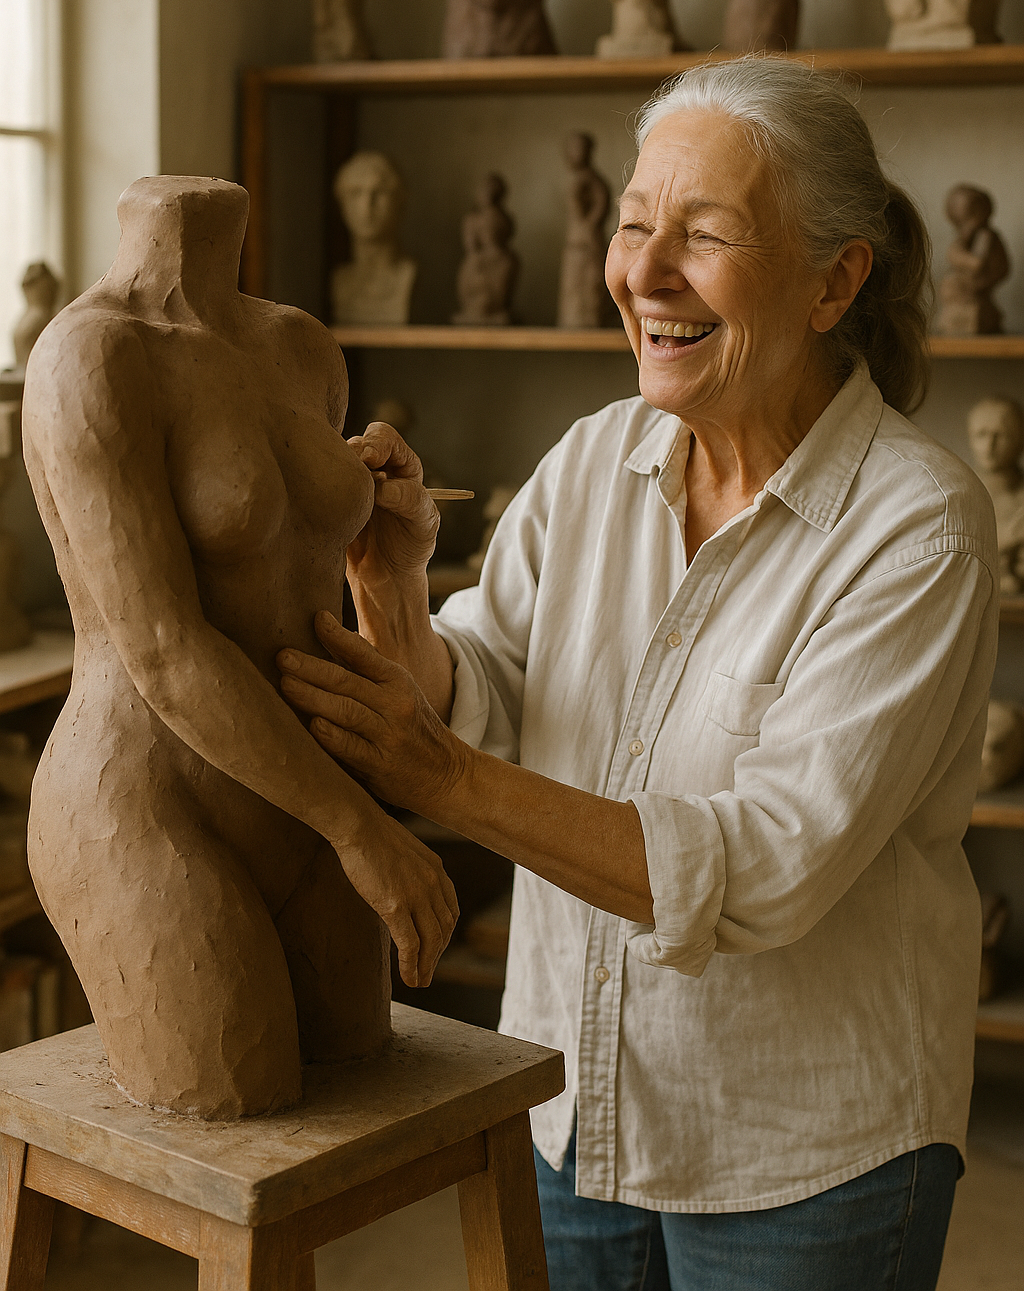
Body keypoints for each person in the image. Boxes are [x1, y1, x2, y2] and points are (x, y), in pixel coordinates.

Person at [278, 58, 997, 1289]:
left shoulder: (917, 527)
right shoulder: (593, 458)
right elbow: (488, 691)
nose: (642, 273)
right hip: (574, 1101)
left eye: (703, 235)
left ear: (834, 281)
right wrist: (393, 592)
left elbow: (761, 867)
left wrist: (441, 781)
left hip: (803, 1153)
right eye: (630, 224)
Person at [22, 176, 456, 1120]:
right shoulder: (90, 357)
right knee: (235, 1107)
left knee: (359, 1087)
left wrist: (393, 542)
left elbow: (304, 580)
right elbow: (164, 647)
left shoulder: (303, 347)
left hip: (303, 796)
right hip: (151, 805)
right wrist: (360, 825)